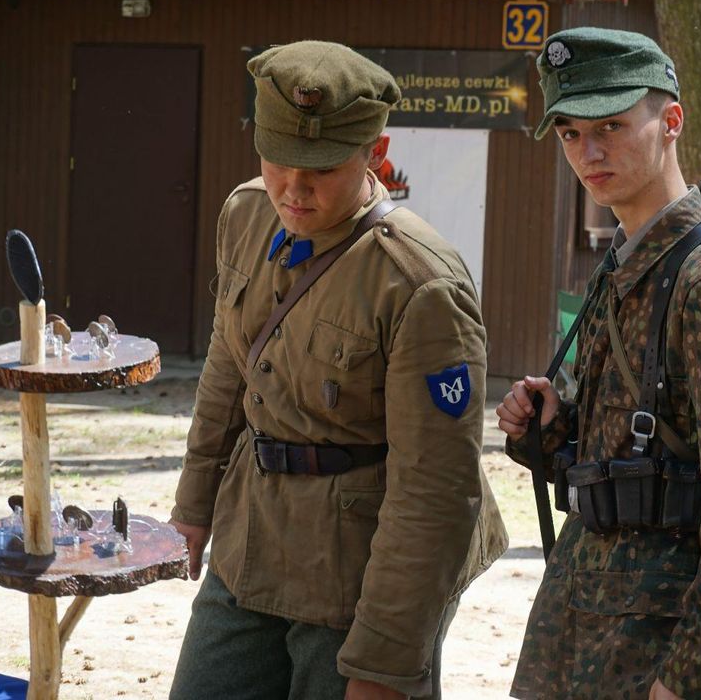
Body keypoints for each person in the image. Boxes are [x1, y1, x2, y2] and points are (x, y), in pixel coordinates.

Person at [168, 40, 507, 700]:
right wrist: (194, 505)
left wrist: (384, 663)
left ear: (374, 155)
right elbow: (226, 368)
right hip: (250, 540)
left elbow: (435, 493)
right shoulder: (245, 213)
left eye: (320, 168)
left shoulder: (417, 282)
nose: (294, 188)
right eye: (280, 160)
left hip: (358, 569)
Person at [497, 27, 701, 700]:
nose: (589, 152)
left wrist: (695, 677)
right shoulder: (624, 264)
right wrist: (554, 429)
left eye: (612, 125)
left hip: (656, 648)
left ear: (671, 121)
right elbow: (642, 450)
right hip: (579, 623)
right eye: (570, 133)